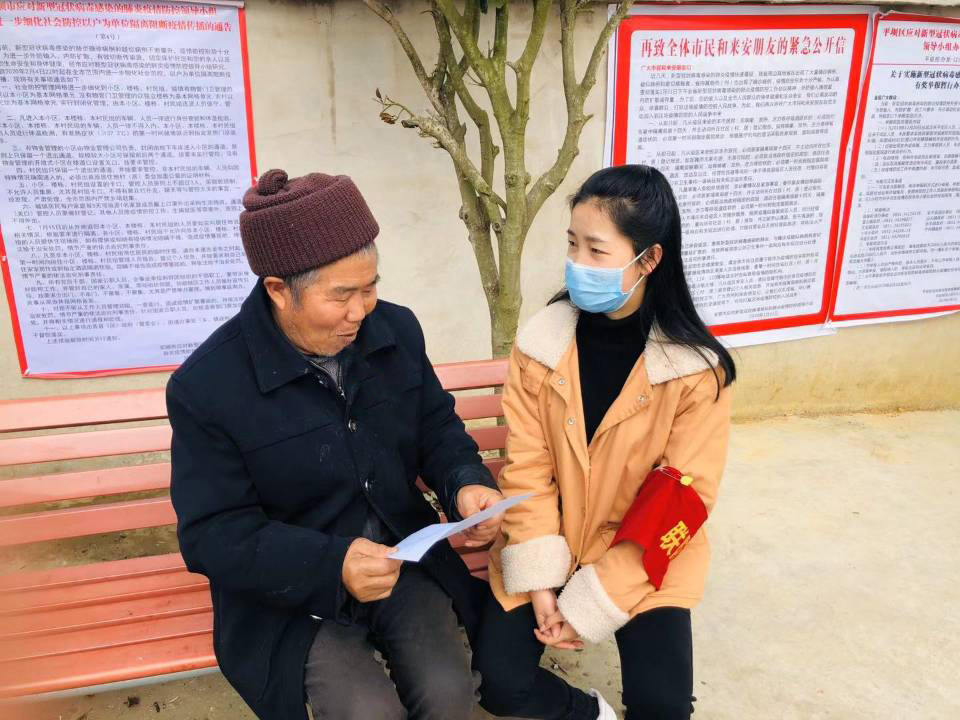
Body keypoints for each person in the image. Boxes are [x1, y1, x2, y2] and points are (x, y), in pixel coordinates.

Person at [168, 168, 503, 720]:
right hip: (290, 590)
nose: (360, 312)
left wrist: (465, 483)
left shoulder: (394, 331)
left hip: (397, 559)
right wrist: (331, 564)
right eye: (341, 295)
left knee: (448, 697)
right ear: (279, 291)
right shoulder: (209, 385)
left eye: (370, 288)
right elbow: (213, 533)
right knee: (368, 712)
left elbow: (436, 429)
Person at [473, 165, 736, 720]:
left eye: (596, 250)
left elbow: (680, 499)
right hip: (552, 535)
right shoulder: (542, 343)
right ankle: (591, 713)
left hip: (643, 554)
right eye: (572, 244)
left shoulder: (695, 371)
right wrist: (541, 583)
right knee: (500, 686)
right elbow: (527, 469)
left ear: (649, 259)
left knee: (663, 708)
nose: (577, 263)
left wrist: (594, 600)